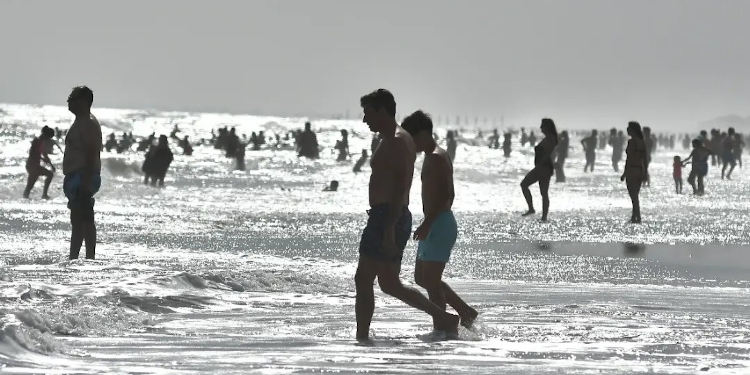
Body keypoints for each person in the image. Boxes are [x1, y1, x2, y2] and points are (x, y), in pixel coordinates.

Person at [355, 89, 459, 341]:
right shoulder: (390, 139)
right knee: (390, 284)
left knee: (363, 278)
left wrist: (389, 226)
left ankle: (361, 338)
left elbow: (402, 185)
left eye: (368, 113)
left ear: (382, 110)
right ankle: (444, 318)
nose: (364, 119)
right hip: (386, 216)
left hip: (388, 216)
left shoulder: (399, 141)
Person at [401, 110, 478, 328]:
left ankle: (441, 327)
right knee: (421, 278)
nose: (410, 144)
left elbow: (447, 196)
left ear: (423, 134)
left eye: (412, 138)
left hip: (440, 223)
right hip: (433, 222)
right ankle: (465, 311)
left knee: (432, 282)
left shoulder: (437, 157)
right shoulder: (430, 156)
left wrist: (427, 223)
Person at [63, 86, 102, 260]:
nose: (68, 101)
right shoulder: (80, 121)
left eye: (73, 97)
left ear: (84, 101)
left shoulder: (87, 122)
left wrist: (85, 181)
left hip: (83, 176)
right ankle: (76, 258)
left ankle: (86, 258)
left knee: (84, 218)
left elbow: (92, 152)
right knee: (78, 219)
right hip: (77, 177)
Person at [520, 119, 558, 222]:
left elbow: (549, 153)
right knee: (543, 193)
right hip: (544, 167)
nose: (541, 128)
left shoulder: (551, 139)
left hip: (543, 167)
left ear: (547, 127)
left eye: (542, 126)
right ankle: (543, 216)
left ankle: (533, 210)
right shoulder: (550, 138)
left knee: (524, 184)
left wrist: (541, 163)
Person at [620, 122, 647, 223]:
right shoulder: (642, 142)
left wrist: (624, 173)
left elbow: (629, 159)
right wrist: (645, 172)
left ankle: (637, 216)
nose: (627, 130)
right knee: (635, 195)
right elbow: (645, 159)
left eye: (628, 128)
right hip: (640, 169)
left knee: (633, 195)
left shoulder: (631, 142)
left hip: (631, 170)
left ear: (633, 130)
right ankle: (635, 216)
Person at [23, 126, 57, 199]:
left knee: (30, 186)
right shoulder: (36, 141)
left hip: (34, 166)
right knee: (49, 175)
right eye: (48, 137)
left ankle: (26, 198)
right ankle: (44, 195)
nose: (48, 139)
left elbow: (44, 154)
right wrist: (42, 158)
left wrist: (51, 165)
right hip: (32, 165)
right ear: (45, 135)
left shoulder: (41, 142)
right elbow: (32, 153)